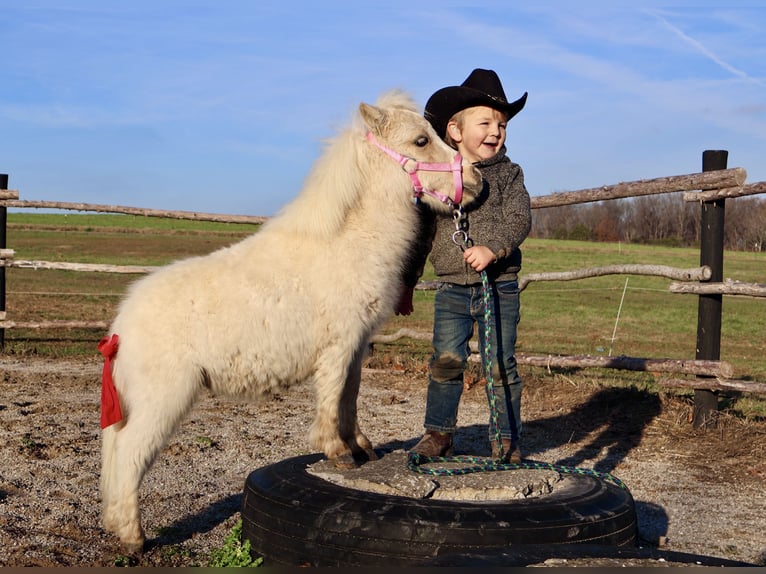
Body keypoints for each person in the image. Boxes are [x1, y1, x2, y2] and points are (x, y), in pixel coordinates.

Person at [400, 68, 531, 463]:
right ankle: (438, 434)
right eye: (486, 122)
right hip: (452, 291)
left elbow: (519, 218)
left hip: (499, 287)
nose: (496, 131)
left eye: (502, 124)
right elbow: (422, 233)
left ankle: (506, 439)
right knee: (445, 361)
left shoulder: (509, 175)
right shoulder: (439, 177)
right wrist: (407, 282)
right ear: (455, 132)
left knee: (499, 365)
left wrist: (494, 248)